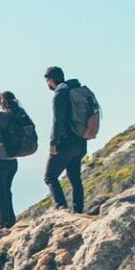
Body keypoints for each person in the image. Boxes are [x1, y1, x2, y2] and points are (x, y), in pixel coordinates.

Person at [44, 66, 86, 213]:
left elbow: (58, 121)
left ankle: (61, 207)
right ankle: (78, 209)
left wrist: (53, 143)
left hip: (66, 142)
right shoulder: (75, 90)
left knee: (50, 176)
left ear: (50, 80)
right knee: (75, 177)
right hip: (81, 141)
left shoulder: (60, 93)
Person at [0, 91, 30, 229]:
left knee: (1, 192)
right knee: (8, 190)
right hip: (13, 159)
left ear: (2, 102)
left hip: (1, 158)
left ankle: (3, 223)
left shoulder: (0, 116)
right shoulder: (21, 114)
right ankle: (11, 220)